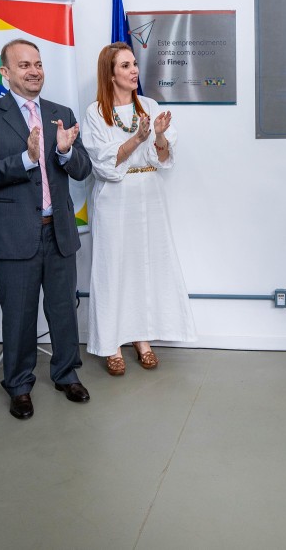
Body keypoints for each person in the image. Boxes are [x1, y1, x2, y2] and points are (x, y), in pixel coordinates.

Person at [0, 39, 91, 419]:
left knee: (63, 310)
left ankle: (66, 373)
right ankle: (19, 385)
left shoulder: (60, 113)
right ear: (5, 73)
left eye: (38, 64)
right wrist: (26, 157)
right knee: (19, 315)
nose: (34, 71)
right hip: (14, 234)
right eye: (24, 65)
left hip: (59, 231)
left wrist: (65, 152)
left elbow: (83, 169)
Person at [83, 42, 196, 375]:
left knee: (145, 265)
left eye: (134, 64)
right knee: (113, 267)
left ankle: (141, 339)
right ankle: (111, 344)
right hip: (114, 197)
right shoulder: (95, 112)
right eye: (125, 66)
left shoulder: (149, 105)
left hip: (149, 195)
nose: (134, 70)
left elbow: (162, 156)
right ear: (110, 74)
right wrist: (137, 136)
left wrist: (158, 136)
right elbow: (103, 162)